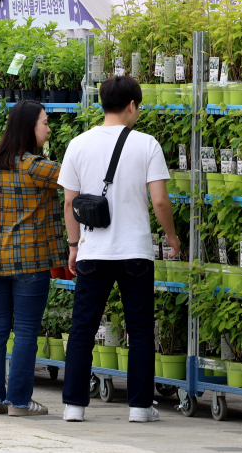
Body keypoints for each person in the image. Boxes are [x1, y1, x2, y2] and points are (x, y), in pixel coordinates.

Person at [58, 76, 182, 423]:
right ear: (131, 106)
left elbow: (69, 204)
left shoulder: (78, 144)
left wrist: (73, 246)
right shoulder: (147, 144)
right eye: (138, 107)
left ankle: (74, 406)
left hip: (92, 251)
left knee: (83, 327)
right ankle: (140, 407)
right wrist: (171, 237)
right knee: (140, 328)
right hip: (135, 252)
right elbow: (159, 200)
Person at [0, 100, 63, 417]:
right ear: (29, 128)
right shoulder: (38, 167)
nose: (48, 128)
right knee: (26, 330)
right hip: (30, 259)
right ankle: (20, 403)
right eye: (44, 122)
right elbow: (75, 180)